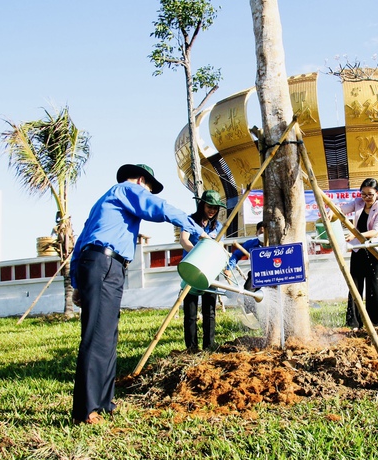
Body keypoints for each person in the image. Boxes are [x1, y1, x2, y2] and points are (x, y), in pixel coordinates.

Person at [69, 163, 206, 425]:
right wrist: (198, 230)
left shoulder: (104, 201)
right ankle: (86, 411)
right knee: (97, 335)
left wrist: (77, 281)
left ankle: (104, 403)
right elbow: (160, 208)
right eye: (150, 190)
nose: (149, 194)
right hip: (105, 264)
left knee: (107, 335)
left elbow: (80, 241)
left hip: (102, 265)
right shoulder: (127, 189)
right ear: (142, 181)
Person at [339, 178, 378, 330]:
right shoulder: (358, 203)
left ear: (377, 193)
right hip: (359, 250)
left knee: (375, 288)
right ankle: (353, 323)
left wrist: (354, 235)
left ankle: (377, 324)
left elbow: (375, 231)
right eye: (363, 194)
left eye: (370, 194)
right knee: (354, 285)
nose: (367, 198)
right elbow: (342, 210)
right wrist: (330, 213)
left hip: (375, 251)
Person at [179, 189, 226, 352]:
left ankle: (209, 345)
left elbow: (220, 246)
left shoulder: (218, 226)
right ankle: (191, 347)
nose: (212, 210)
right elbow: (183, 239)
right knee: (191, 312)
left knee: (210, 310)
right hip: (192, 268)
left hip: (210, 271)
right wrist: (198, 253)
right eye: (209, 207)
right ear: (202, 205)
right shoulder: (190, 221)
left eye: (215, 208)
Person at [227, 221, 265, 315]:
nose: (263, 234)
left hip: (274, 274)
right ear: (256, 233)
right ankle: (251, 319)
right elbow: (236, 255)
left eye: (266, 232)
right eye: (261, 232)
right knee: (248, 293)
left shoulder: (275, 242)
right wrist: (229, 268)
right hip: (256, 274)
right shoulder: (251, 244)